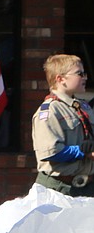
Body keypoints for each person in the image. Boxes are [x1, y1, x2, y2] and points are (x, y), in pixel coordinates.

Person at [32, 53, 94, 197]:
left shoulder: (83, 107)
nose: (85, 77)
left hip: (86, 187)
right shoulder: (50, 111)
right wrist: (84, 152)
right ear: (60, 79)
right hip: (60, 188)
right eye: (80, 74)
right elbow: (51, 152)